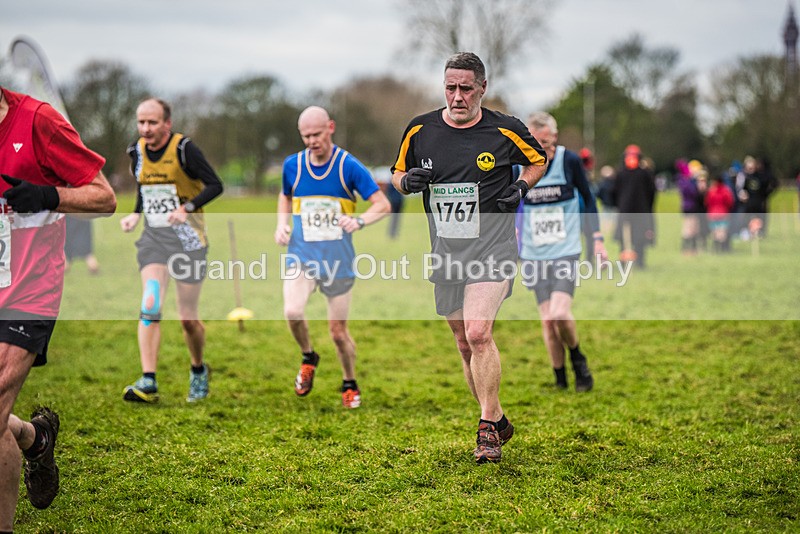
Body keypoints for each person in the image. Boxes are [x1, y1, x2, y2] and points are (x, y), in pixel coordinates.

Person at [391, 52, 547, 463]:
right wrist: (407, 182)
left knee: (478, 333)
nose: (457, 96)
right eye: (450, 88)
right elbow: (396, 173)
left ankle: (486, 431)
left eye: (465, 88)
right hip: (446, 251)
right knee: (463, 344)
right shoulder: (420, 129)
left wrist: (521, 187)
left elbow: (537, 160)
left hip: (493, 247)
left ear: (482, 88)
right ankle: (497, 416)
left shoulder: (505, 129)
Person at [0, 86, 116, 528]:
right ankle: (35, 438)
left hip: (27, 291)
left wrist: (49, 196)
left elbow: (104, 198)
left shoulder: (38, 121)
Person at [275, 106, 389, 409]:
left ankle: (349, 381)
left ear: (330, 128)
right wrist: (281, 224)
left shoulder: (348, 166)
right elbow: (285, 195)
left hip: (338, 261)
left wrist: (359, 221)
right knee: (292, 311)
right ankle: (308, 356)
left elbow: (382, 204)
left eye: (316, 134)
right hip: (301, 255)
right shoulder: (293, 165)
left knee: (338, 333)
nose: (312, 141)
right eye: (306, 136)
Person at [119, 98, 223, 404]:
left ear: (167, 123)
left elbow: (215, 185)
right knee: (150, 304)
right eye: (141, 122)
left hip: (189, 242)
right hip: (154, 239)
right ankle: (148, 379)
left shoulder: (184, 149)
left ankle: (198, 369)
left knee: (188, 318)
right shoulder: (136, 151)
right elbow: (144, 187)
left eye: (152, 122)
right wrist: (135, 214)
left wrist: (186, 208)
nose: (145, 128)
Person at [520, 112, 606, 392]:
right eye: (534, 144)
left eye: (545, 144)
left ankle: (578, 359)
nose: (540, 150)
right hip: (533, 253)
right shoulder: (520, 164)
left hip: (565, 250)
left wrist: (597, 239)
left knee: (559, 313)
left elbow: (589, 199)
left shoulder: (569, 161)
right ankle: (560, 378)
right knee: (547, 320)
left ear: (554, 137)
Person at [612, 144, 656, 268]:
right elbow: (652, 193)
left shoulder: (625, 173)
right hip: (636, 211)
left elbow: (614, 193)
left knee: (638, 239)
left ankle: (637, 262)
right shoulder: (642, 173)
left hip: (632, 211)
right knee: (631, 238)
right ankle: (629, 262)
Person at [705, 173, 735, 253]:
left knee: (715, 232)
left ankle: (716, 249)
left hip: (712, 214)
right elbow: (730, 202)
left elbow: (707, 202)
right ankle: (723, 249)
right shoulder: (726, 190)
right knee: (722, 232)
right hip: (723, 214)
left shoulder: (711, 190)